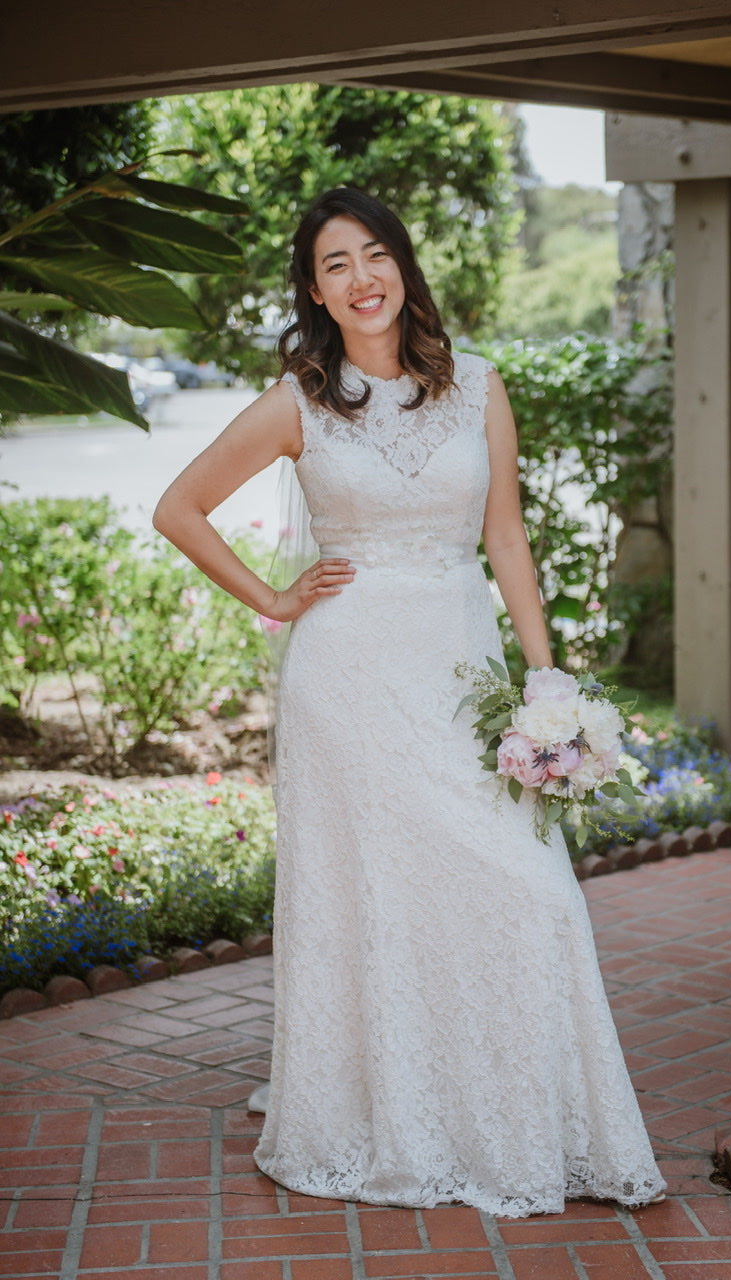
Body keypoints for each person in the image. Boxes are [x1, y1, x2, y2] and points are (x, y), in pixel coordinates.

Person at [153, 186, 665, 1218]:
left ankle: (519, 1112)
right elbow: (178, 505)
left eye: (376, 254)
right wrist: (273, 597)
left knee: (529, 889)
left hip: (461, 670)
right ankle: (380, 1108)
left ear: (405, 267)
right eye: (336, 263)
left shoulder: (478, 384)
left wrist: (545, 676)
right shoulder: (296, 400)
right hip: (347, 679)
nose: (362, 277)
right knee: (375, 896)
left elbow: (507, 538)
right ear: (313, 289)